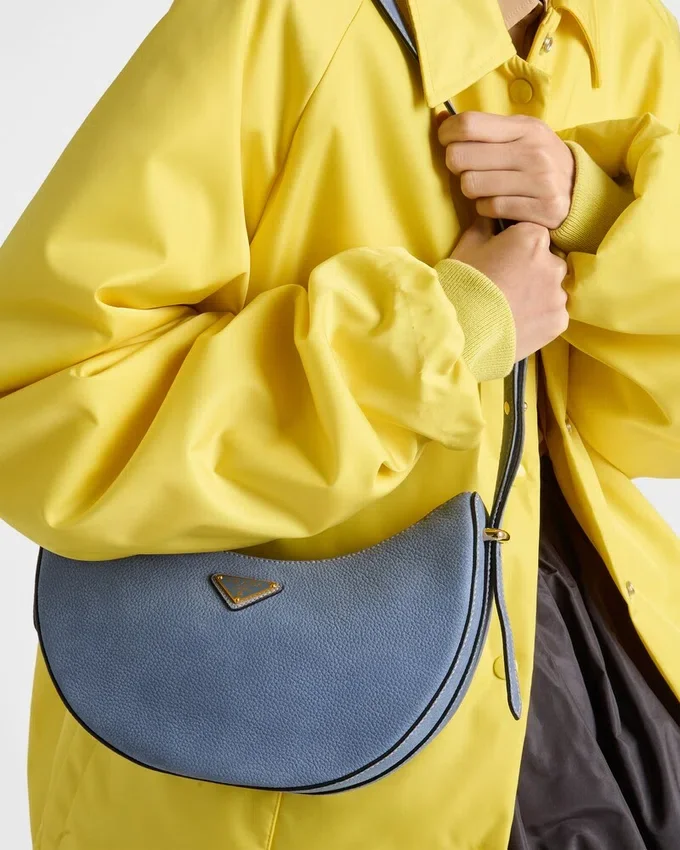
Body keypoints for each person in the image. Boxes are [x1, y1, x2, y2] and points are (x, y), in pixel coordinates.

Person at [1, 0, 679, 847]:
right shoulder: (279, 19)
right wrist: (442, 333)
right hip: (270, 738)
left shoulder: (632, 36)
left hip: (584, 683)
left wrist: (606, 221)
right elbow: (42, 415)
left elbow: (644, 430)